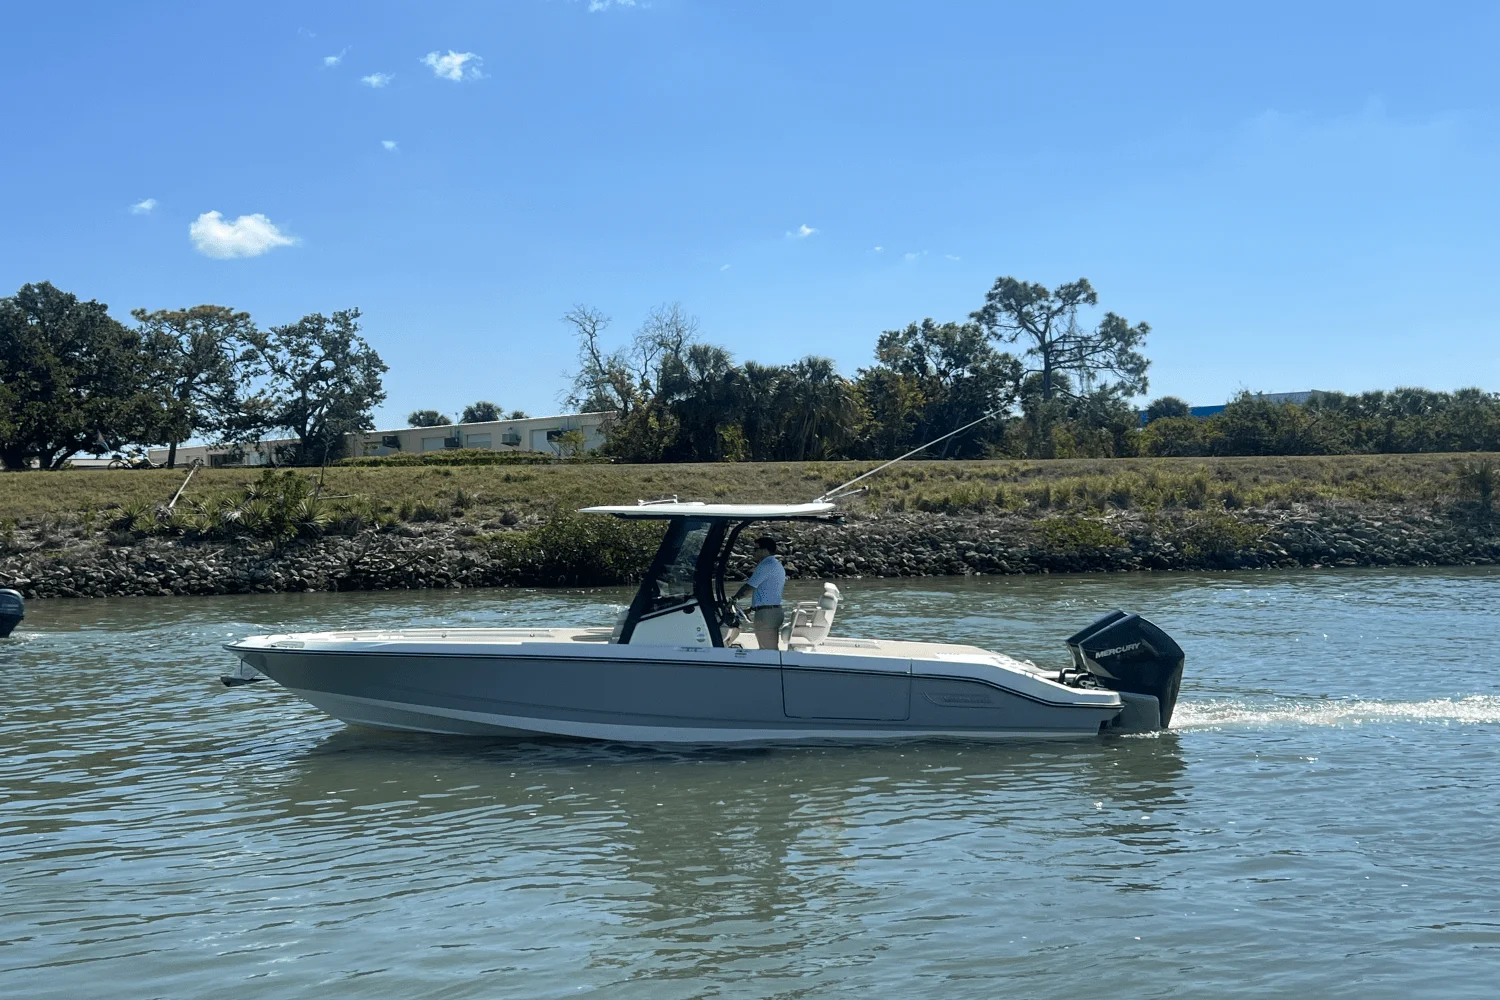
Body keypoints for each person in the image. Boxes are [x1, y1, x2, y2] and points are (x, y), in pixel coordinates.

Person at [734, 536, 786, 651]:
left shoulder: (765, 566)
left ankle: (771, 669)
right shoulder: (776, 564)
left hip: (766, 615)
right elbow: (767, 593)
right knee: (769, 648)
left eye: (756, 549)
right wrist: (751, 608)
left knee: (767, 651)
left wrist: (734, 600)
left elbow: (749, 587)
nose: (753, 552)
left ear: (765, 550)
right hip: (773, 611)